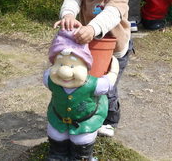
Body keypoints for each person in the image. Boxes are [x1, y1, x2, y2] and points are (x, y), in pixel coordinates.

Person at [55, 0, 132, 138]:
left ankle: (109, 120)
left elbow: (112, 14)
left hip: (115, 48)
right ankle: (86, 114)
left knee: (107, 86)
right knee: (86, 82)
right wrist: (68, 15)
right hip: (88, 45)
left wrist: (92, 28)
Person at [44, 29, 119, 160]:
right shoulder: (50, 80)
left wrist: (114, 69)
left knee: (81, 141)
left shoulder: (94, 85)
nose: (64, 72)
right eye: (60, 64)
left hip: (84, 123)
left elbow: (108, 82)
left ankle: (81, 157)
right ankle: (57, 155)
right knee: (56, 138)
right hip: (58, 120)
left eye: (73, 66)